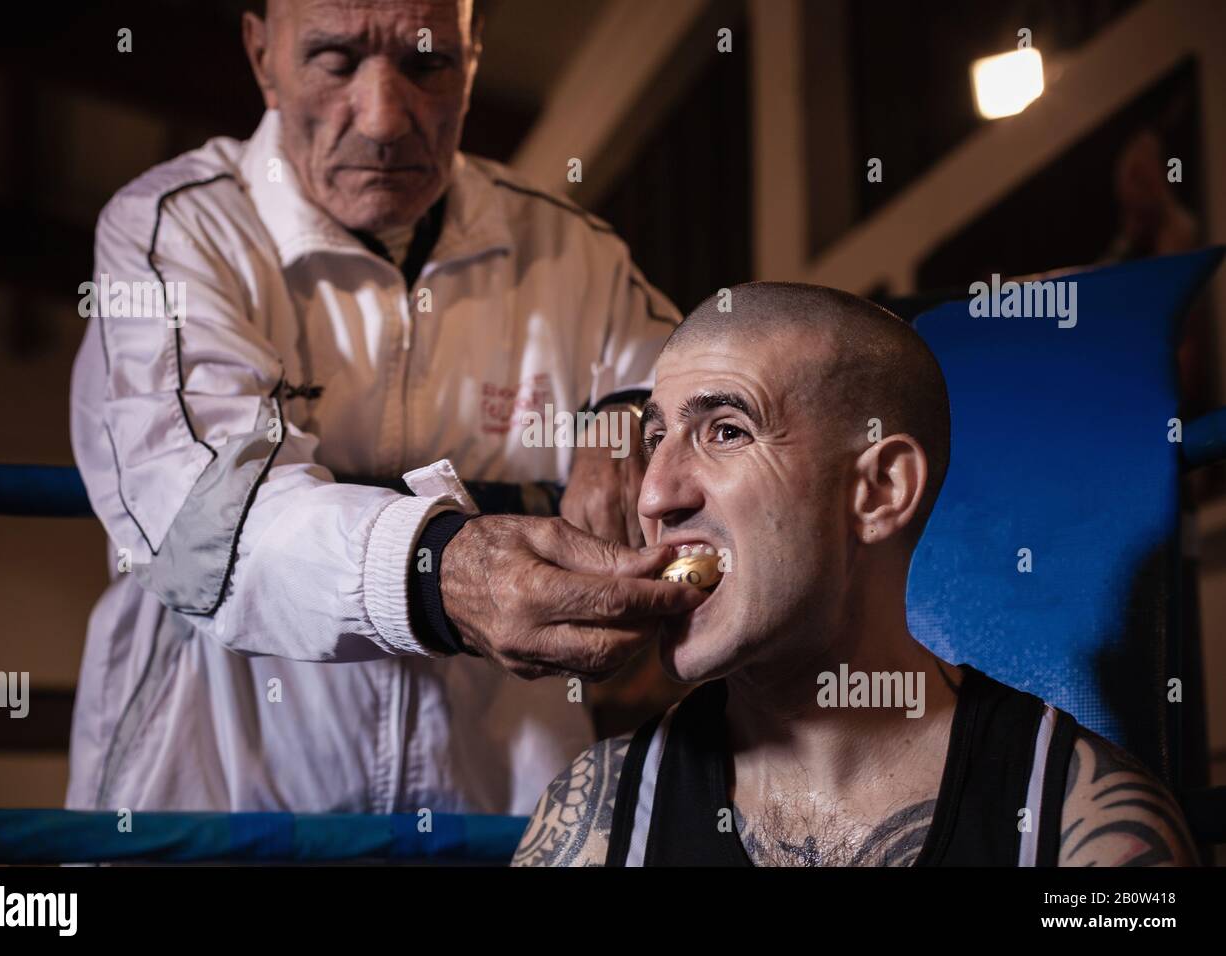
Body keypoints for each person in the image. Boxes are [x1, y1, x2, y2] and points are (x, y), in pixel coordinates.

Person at [66, 0, 704, 816]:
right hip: (216, 794)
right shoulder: (174, 230)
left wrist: (628, 414)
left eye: (429, 61)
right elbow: (203, 522)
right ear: (263, 54)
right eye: (335, 61)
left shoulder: (571, 250)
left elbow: (686, 379)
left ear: (475, 55)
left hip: (489, 803)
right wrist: (440, 570)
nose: (384, 118)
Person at [513, 282, 1199, 866]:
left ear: (880, 491)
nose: (655, 497)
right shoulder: (593, 827)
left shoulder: (1084, 833)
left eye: (726, 431)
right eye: (656, 438)